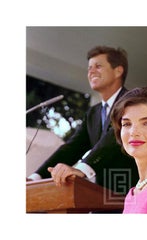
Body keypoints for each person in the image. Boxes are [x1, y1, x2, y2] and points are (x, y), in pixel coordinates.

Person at [27, 46, 139, 195]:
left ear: (118, 71)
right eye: (89, 68)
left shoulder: (133, 102)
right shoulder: (93, 113)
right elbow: (71, 148)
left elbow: (114, 138)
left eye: (98, 66)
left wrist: (81, 169)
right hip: (101, 194)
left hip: (129, 191)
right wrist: (35, 178)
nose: (91, 71)